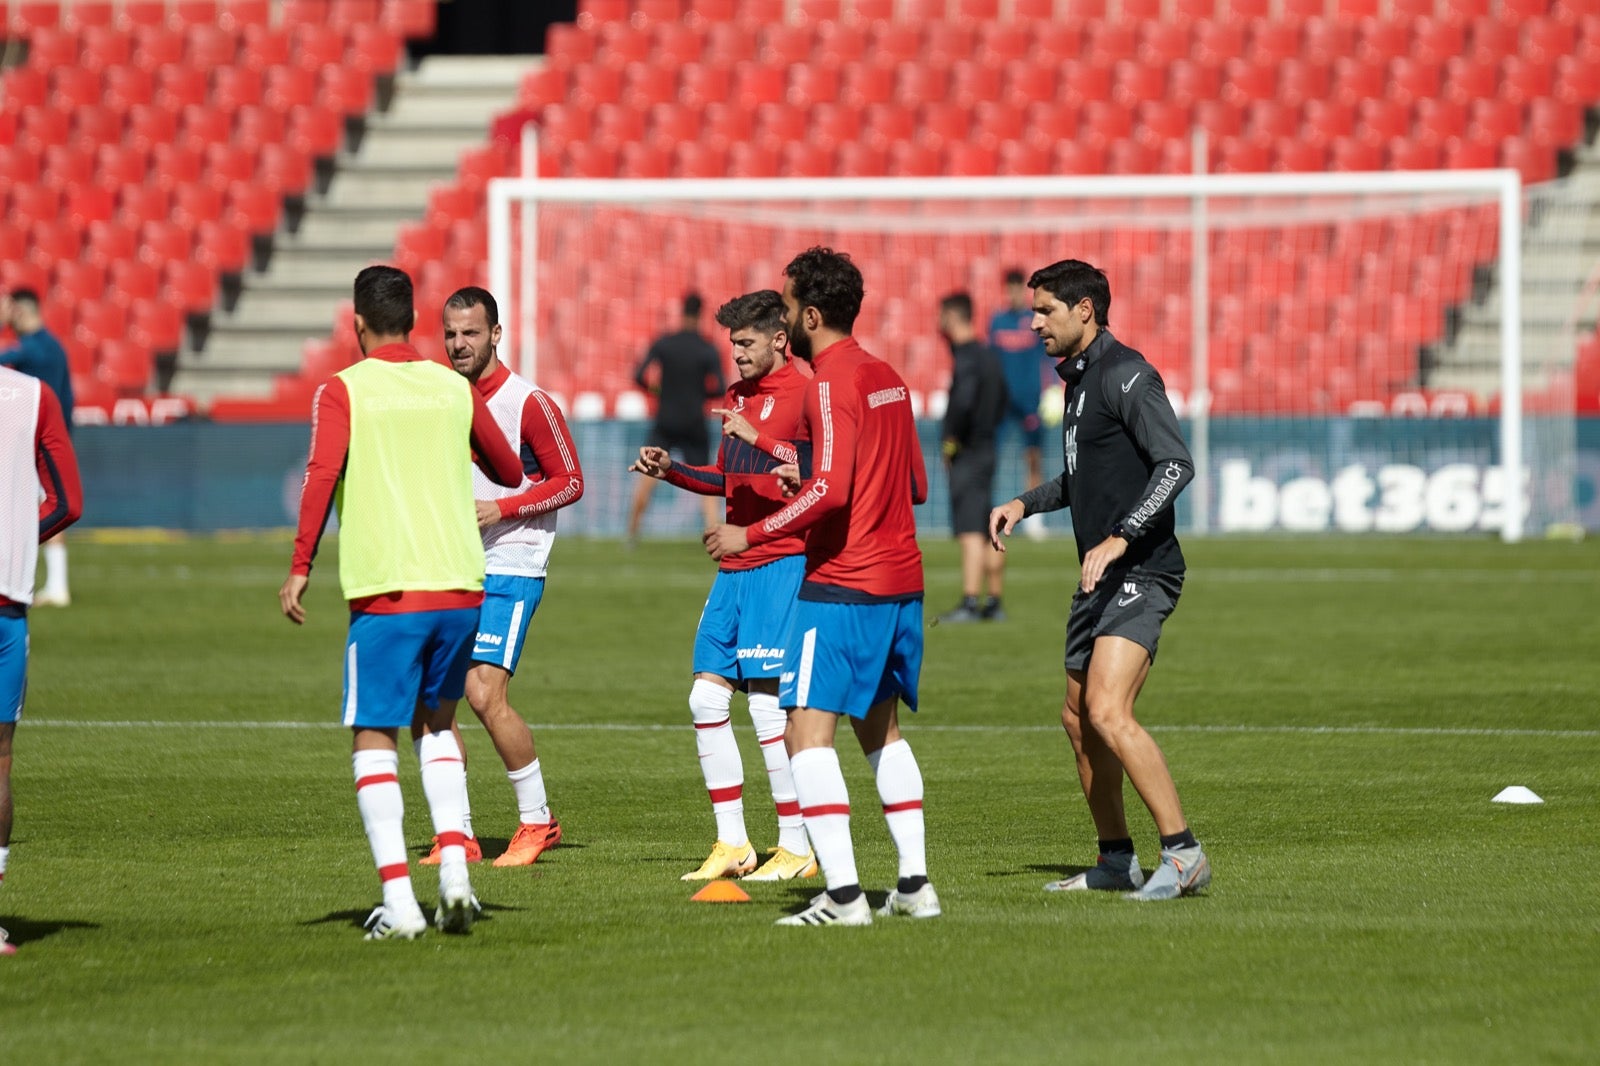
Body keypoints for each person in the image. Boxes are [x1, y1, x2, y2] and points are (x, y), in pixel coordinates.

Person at [279, 266, 523, 941]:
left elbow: (321, 476)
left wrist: (300, 567)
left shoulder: (344, 389)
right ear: (415, 322)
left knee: (374, 735)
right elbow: (508, 470)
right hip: (461, 585)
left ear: (357, 324)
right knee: (437, 727)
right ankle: (456, 879)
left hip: (389, 588)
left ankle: (401, 904)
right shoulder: (452, 387)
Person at [705, 247, 937, 927]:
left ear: (809, 315)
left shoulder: (829, 382)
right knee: (882, 731)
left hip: (844, 583)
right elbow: (916, 484)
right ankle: (915, 886)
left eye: (785, 306)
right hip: (903, 579)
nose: (780, 317)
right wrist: (802, 474)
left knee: (804, 734)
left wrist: (753, 533)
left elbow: (832, 490)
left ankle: (842, 896)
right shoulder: (888, 376)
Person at [988, 259, 1210, 902]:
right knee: (1078, 720)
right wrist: (1024, 503)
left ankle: (1184, 854)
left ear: (1084, 310)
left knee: (1108, 711)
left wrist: (1122, 535)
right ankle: (1115, 860)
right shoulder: (1079, 383)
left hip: (1143, 569)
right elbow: (1079, 479)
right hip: (1097, 577)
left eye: (1045, 311)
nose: (1033, 323)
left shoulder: (1128, 374)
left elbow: (1175, 465)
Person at [629, 290, 816, 883]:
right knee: (705, 699)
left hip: (781, 561)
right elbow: (728, 478)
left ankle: (796, 846)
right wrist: (673, 471)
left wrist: (759, 439)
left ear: (779, 339)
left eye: (746, 342)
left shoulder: (807, 392)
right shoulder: (736, 397)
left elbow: (817, 471)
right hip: (733, 565)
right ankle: (733, 843)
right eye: (732, 343)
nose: (736, 353)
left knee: (765, 706)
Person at [410, 286, 584, 869]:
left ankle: (538, 821)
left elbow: (571, 481)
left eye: (471, 333)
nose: (459, 343)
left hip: (512, 561)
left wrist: (502, 509)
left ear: (496, 335)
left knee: (483, 693)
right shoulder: (444, 399)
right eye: (451, 333)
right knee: (433, 699)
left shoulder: (528, 403)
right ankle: (455, 835)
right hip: (453, 562)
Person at [0, 369, 82, 956]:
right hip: (6, 608)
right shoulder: (33, 394)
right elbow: (67, 502)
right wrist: (20, 541)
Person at [626, 293, 725, 543]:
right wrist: (700, 394)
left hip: (666, 420)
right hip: (694, 422)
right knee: (706, 482)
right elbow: (721, 388)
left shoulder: (664, 343)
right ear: (701, 314)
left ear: (682, 312)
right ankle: (715, 536)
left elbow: (638, 375)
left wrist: (658, 391)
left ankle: (631, 536)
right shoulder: (707, 349)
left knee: (648, 474)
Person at [935, 292, 1009, 624]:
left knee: (969, 528)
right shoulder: (989, 356)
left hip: (969, 453)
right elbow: (1004, 398)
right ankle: (993, 599)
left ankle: (969, 602)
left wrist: (951, 443)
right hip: (987, 448)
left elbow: (963, 403)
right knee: (983, 523)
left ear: (952, 317)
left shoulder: (966, 358)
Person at [1, 290, 75, 607]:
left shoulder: (29, 350)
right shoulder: (54, 347)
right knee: (52, 503)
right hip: (50, 440)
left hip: (30, 443)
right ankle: (55, 583)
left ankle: (53, 585)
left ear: (17, 310)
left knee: (40, 506)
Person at [988, 268, 1052, 542]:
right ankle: (990, 511)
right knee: (992, 456)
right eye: (1010, 288)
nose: (1013, 293)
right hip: (1002, 402)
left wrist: (1051, 389)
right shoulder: (997, 321)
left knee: (1033, 457)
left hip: (1030, 400)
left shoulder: (1033, 320)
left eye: (1017, 288)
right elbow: (990, 361)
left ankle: (1034, 520)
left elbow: (1047, 357)